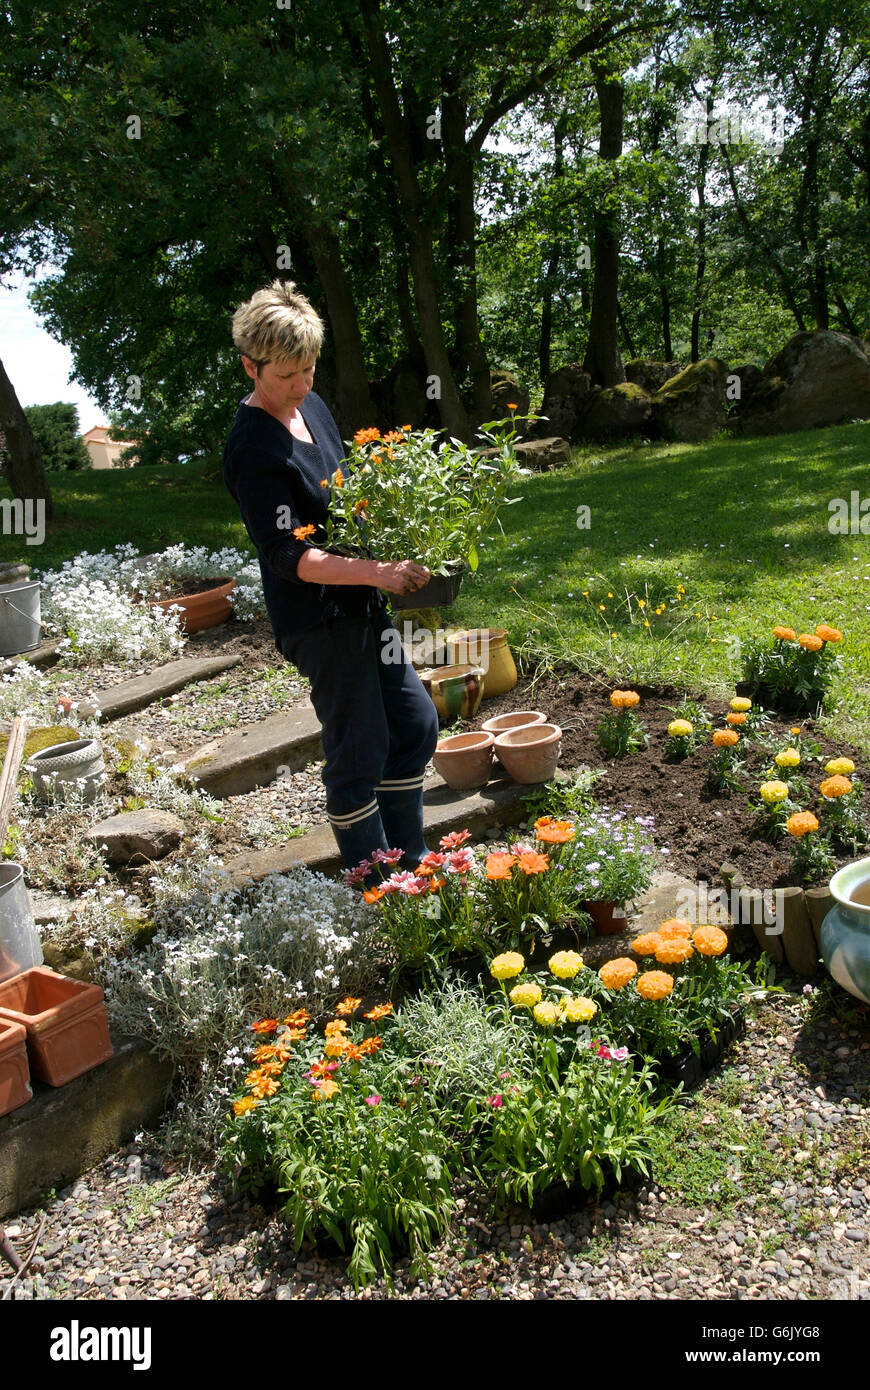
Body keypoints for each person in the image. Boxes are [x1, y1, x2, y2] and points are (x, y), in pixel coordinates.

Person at [222, 279, 440, 875]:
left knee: (415, 724)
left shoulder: (311, 408)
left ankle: (410, 859)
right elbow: (290, 558)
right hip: (318, 619)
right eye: (286, 375)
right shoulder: (252, 448)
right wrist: (378, 571)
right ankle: (375, 881)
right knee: (359, 747)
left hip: (365, 600)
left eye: (310, 369)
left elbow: (343, 497)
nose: (301, 386)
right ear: (250, 366)